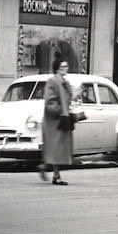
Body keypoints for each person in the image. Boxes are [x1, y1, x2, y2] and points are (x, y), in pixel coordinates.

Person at [39, 57, 74, 185]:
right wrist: (60, 110)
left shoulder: (65, 82)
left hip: (62, 118)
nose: (66, 69)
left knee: (58, 148)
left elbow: (67, 99)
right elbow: (50, 101)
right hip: (54, 120)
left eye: (66, 67)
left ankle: (46, 167)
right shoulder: (52, 81)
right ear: (57, 68)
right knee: (55, 147)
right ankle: (56, 175)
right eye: (63, 67)